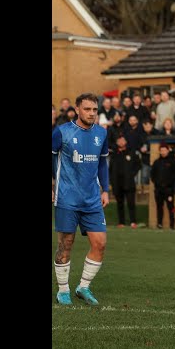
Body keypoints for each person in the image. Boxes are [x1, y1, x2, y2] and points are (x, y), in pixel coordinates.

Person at [52, 93, 110, 306]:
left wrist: (105, 190)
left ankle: (83, 287)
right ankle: (63, 290)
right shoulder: (62, 132)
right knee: (65, 244)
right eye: (87, 109)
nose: (91, 113)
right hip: (67, 197)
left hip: (92, 199)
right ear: (77, 110)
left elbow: (102, 163)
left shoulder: (102, 133)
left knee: (100, 244)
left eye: (94, 109)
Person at [107, 135, 140, 228]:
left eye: (122, 140)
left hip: (129, 183)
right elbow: (110, 169)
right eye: (119, 140)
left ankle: (133, 221)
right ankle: (121, 222)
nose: (121, 142)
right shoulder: (114, 154)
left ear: (126, 141)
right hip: (117, 183)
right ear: (117, 142)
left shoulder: (131, 152)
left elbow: (138, 165)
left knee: (131, 203)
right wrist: (112, 180)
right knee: (120, 204)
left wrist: (132, 174)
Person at [150, 144, 175, 229]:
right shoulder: (156, 162)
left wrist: (169, 183)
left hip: (169, 189)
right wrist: (156, 183)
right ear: (159, 151)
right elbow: (152, 174)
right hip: (158, 189)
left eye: (164, 150)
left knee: (171, 207)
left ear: (167, 151)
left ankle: (172, 224)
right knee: (159, 207)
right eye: (161, 150)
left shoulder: (172, 161)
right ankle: (159, 223)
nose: (163, 152)